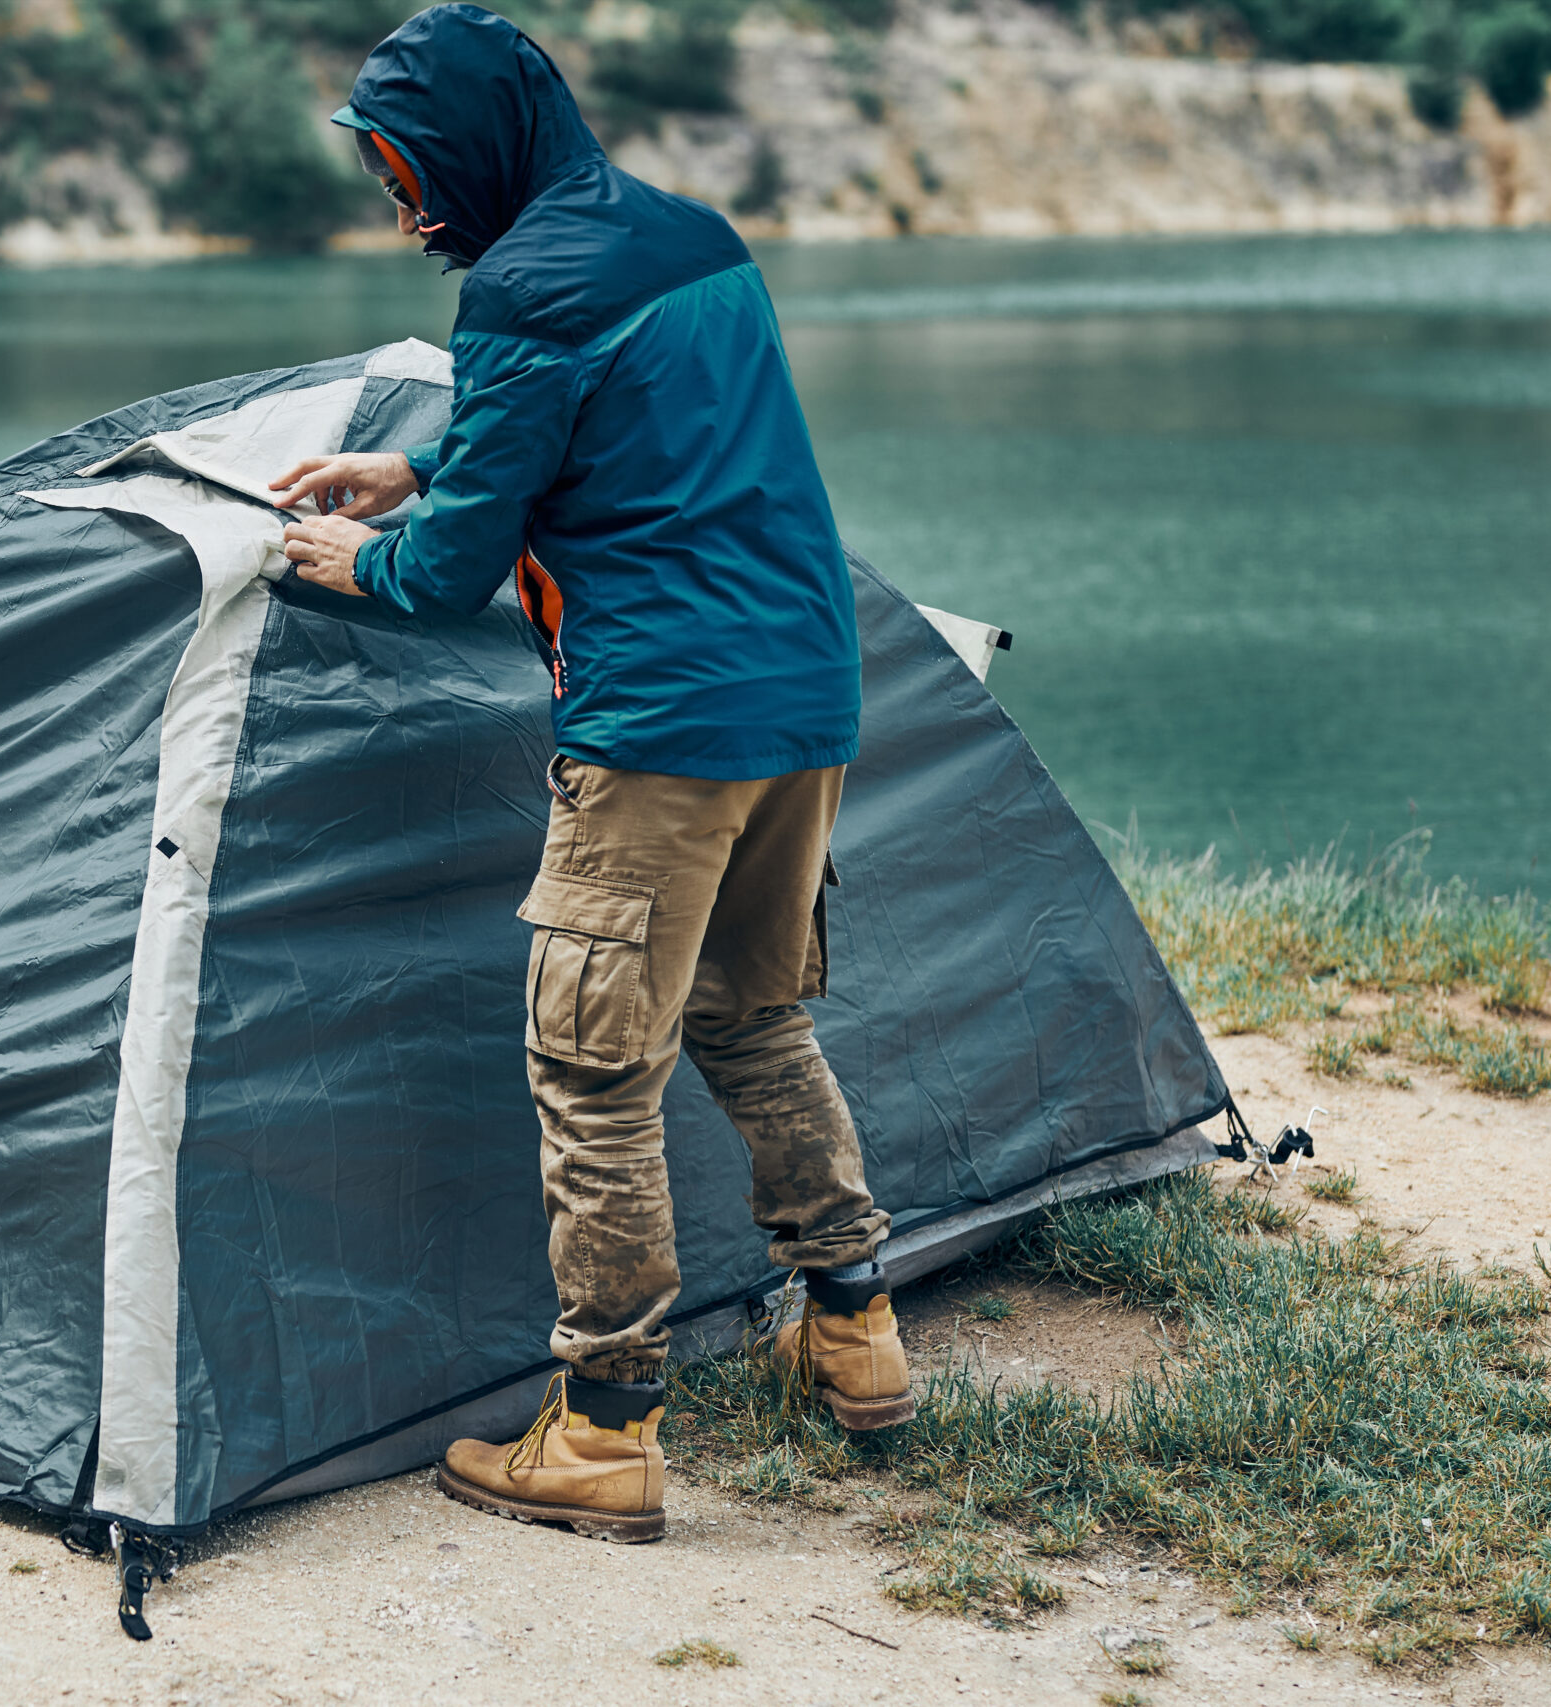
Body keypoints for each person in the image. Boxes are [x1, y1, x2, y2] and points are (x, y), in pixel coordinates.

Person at [266, 3, 913, 1546]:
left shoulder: (519, 284)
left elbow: (445, 579)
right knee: (753, 1018)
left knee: (593, 1073)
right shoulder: (687, 236)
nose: (404, 207)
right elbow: (629, 424)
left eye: (407, 169)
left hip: (661, 728)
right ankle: (857, 1329)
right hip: (805, 696)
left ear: (477, 144)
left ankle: (607, 1430)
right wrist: (423, 459)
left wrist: (361, 551)